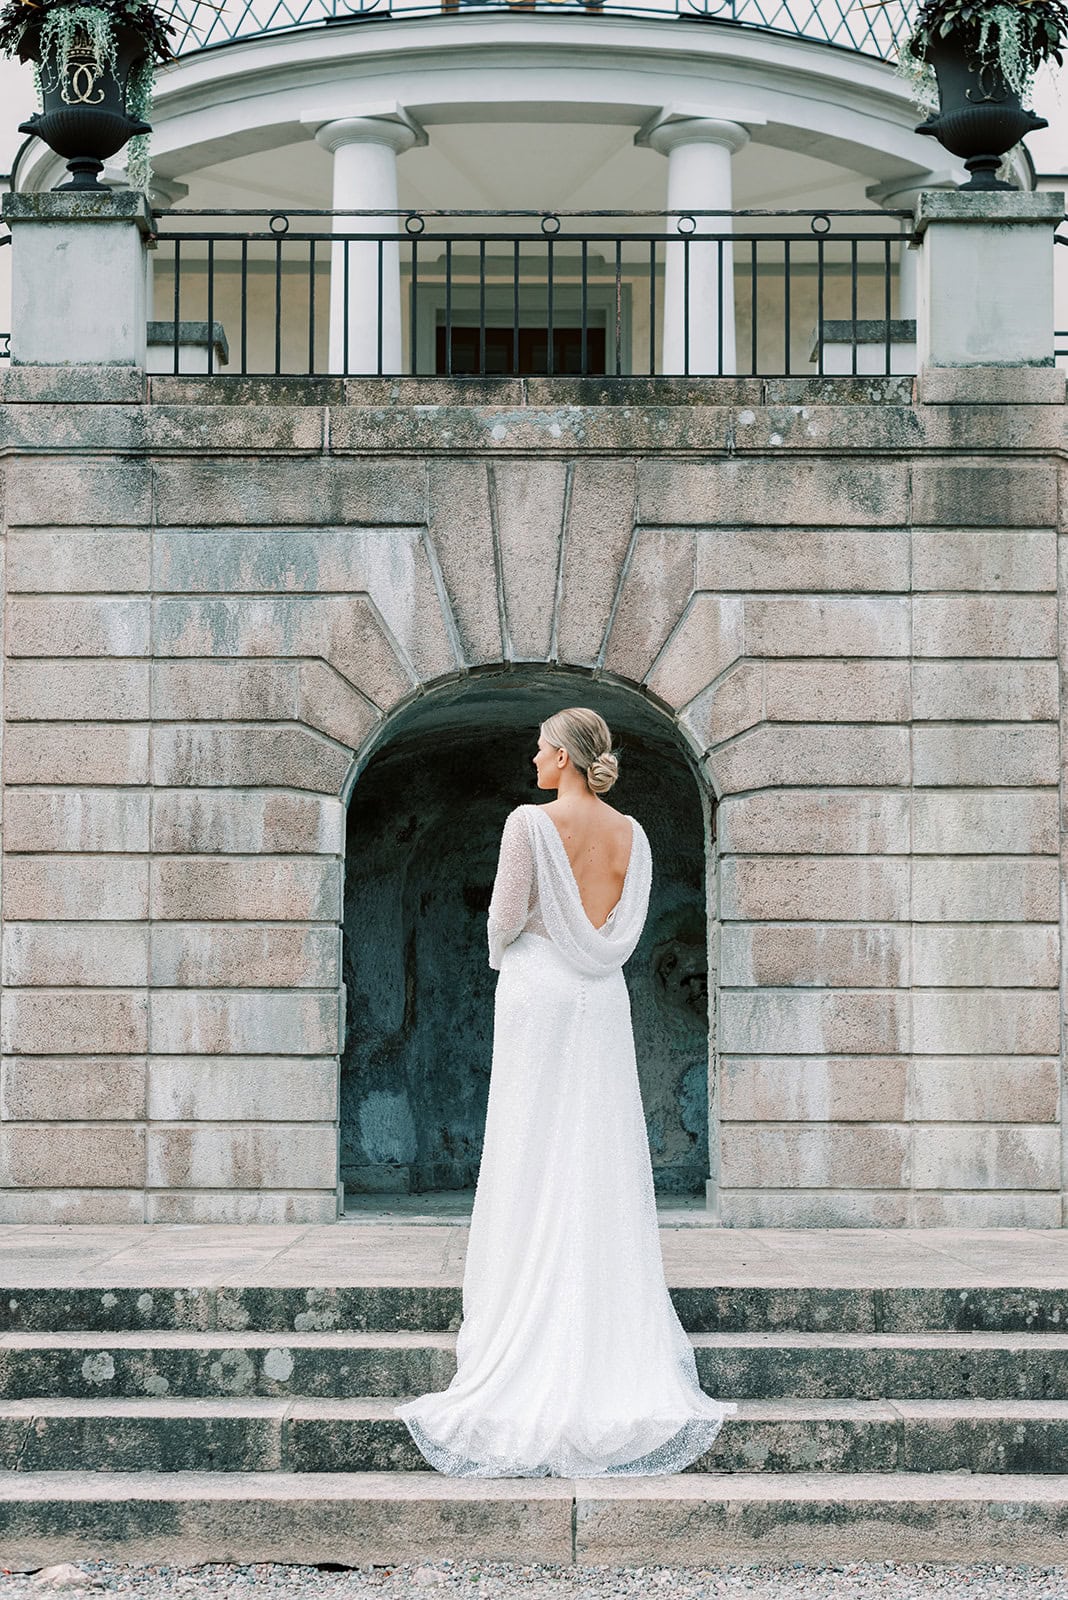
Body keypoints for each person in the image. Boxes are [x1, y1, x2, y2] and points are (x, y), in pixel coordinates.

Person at [393, 706, 736, 1476]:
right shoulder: (634, 836)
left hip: (541, 991)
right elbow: (624, 925)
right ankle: (604, 1335)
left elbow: (506, 914)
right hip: (601, 995)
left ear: (566, 758)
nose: (533, 757)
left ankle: (526, 1326)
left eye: (542, 747)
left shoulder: (529, 823)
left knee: (531, 1148)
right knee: (598, 1150)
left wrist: (501, 949)